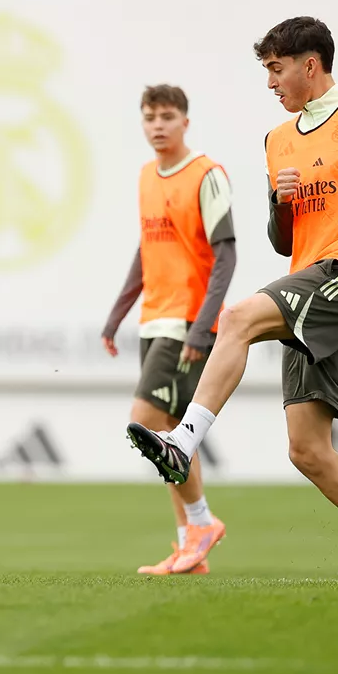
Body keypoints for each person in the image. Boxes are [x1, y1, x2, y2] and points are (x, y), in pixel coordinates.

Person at [127, 17, 338, 586]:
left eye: (276, 70)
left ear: (311, 64)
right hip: (312, 279)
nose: (271, 84)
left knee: (239, 318)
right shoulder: (278, 139)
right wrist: (280, 203)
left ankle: (182, 442)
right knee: (307, 449)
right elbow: (283, 241)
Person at [102, 85, 236, 576]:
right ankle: (188, 549)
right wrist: (118, 313)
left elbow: (227, 254)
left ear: (185, 121)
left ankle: (201, 522)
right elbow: (147, 250)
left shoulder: (207, 175)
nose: (157, 125)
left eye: (167, 116)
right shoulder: (145, 176)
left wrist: (204, 326)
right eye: (149, 117)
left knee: (146, 419)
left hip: (186, 321)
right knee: (174, 438)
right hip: (153, 318)